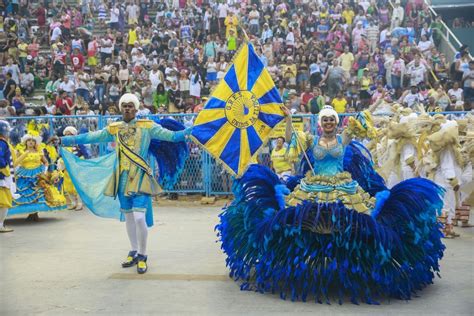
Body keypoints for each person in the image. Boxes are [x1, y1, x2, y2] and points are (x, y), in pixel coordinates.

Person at [216, 105, 445, 303]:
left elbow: (365, 126)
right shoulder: (311, 140)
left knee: (357, 220)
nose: (328, 123)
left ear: (336, 122)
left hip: (343, 187)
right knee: (301, 218)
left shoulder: (343, 138)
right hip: (313, 186)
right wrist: (288, 119)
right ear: (319, 123)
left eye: (331, 120)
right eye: (324, 120)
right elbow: (290, 138)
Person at [59, 93, 192, 274]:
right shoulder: (114, 128)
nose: (128, 108)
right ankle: (134, 250)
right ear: (121, 108)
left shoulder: (147, 127)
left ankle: (143, 254)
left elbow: (174, 136)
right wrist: (64, 140)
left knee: (139, 217)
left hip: (140, 178)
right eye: (125, 106)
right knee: (129, 217)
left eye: (131, 105)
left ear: (137, 109)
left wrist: (193, 130)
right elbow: (91, 137)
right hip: (121, 179)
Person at [9, 134, 66, 221]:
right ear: (25, 142)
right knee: (24, 192)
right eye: (29, 140)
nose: (31, 142)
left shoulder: (39, 152)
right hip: (23, 173)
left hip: (38, 173)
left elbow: (46, 162)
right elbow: (15, 162)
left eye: (33, 141)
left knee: (38, 192)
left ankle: (34, 213)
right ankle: (30, 212)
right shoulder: (20, 151)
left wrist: (45, 171)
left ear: (35, 143)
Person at [0, 120, 15, 233]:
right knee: (4, 202)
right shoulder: (2, 143)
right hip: (1, 177)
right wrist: (5, 169)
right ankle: (0, 225)